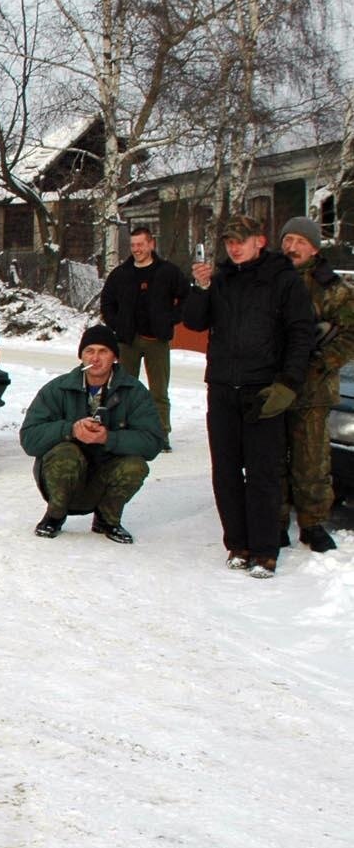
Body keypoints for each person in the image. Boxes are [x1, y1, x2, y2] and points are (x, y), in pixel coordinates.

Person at [183, 214, 316, 578]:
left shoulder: (283, 279)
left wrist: (288, 383)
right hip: (223, 387)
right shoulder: (221, 278)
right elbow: (194, 321)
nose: (234, 248)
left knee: (263, 473)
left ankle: (264, 550)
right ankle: (237, 544)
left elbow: (301, 333)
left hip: (264, 389)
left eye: (240, 241)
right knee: (225, 471)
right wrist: (200, 287)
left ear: (260, 240)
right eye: (229, 242)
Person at [19, 324, 163, 543]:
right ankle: (55, 515)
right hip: (66, 474)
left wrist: (109, 438)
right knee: (65, 454)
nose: (95, 358)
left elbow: (153, 441)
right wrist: (70, 430)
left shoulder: (134, 392)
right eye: (89, 351)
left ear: (115, 357)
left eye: (103, 351)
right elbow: (29, 438)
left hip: (106, 471)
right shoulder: (57, 389)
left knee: (136, 466)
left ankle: (107, 519)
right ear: (81, 356)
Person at [275, 216, 354, 553]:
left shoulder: (332, 288)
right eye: (287, 240)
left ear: (314, 248)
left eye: (300, 242)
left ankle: (313, 523)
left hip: (313, 388)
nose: (292, 247)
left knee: (313, 460)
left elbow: (350, 334)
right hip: (273, 385)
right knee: (273, 458)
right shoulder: (268, 279)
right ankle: (275, 520)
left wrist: (322, 361)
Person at [99, 224, 188, 449]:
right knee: (123, 388)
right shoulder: (121, 274)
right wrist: (117, 324)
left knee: (159, 391)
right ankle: (123, 430)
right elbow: (107, 302)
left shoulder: (167, 272)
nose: (136, 249)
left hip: (157, 340)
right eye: (133, 245)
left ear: (151, 244)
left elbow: (186, 297)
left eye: (140, 244)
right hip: (127, 341)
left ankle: (161, 433)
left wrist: (170, 319)